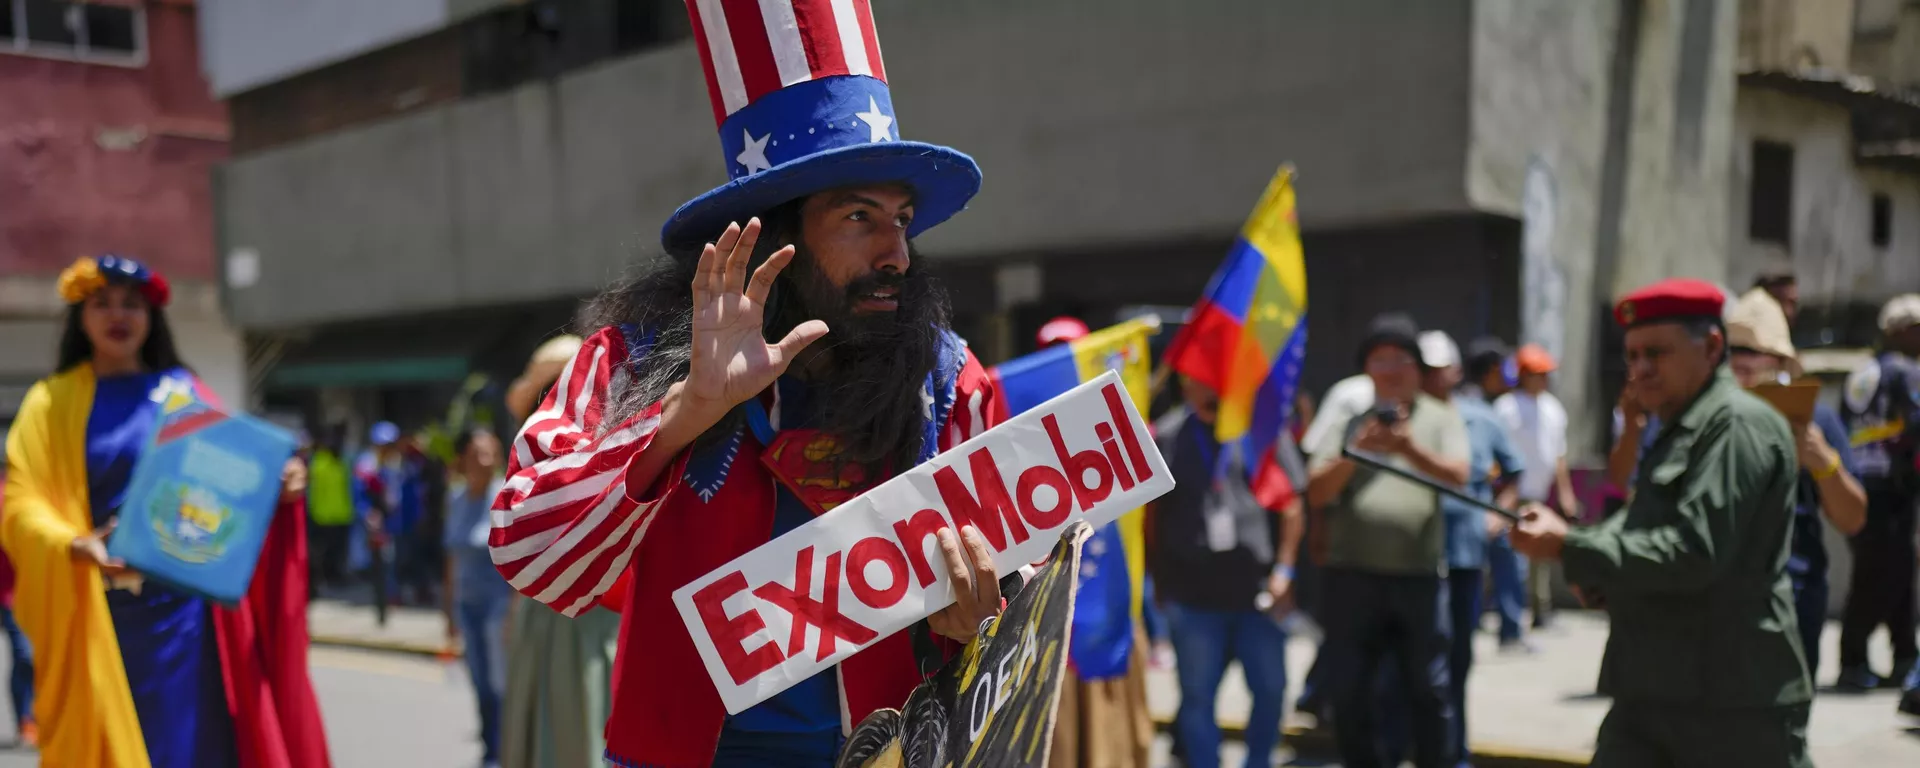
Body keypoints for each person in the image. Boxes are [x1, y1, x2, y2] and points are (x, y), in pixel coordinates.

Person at [486, 5, 1008, 765]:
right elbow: (531, 555)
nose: (897, 251)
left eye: (902, 218)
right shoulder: (632, 362)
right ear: (777, 235)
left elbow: (1021, 594)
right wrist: (683, 415)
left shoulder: (952, 380)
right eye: (860, 217)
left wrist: (978, 613)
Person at [0, 255, 330, 768]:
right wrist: (73, 543)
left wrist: (280, 486)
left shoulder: (184, 392)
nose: (119, 315)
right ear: (78, 319)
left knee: (189, 748)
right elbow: (20, 501)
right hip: (96, 614)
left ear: (152, 317)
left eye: (132, 304)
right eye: (102, 303)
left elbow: (233, 482)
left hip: (185, 622)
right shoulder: (51, 402)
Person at [1509, 278, 1813, 767]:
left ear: (1712, 347)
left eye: (1657, 352)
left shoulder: (1734, 425)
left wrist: (1571, 545)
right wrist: (1596, 563)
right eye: (1631, 356)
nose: (1640, 369)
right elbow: (1639, 525)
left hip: (1731, 701)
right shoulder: (1677, 427)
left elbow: (1695, 551)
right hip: (1654, 689)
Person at [1307, 313, 1469, 768]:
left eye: (1401, 359)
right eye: (1380, 360)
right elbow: (1317, 490)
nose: (1391, 369)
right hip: (1351, 576)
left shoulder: (1439, 416)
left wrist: (1407, 449)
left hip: (1418, 576)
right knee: (1351, 688)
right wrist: (1357, 452)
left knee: (1428, 687)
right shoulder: (1349, 420)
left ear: (1418, 369)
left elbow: (1460, 476)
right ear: (1367, 370)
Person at [1148, 375, 1305, 768]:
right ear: (1184, 385)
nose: (1210, 386)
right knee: (1197, 696)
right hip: (1193, 595)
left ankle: (1258, 762)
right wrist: (1159, 581)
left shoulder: (1261, 431)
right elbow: (1152, 516)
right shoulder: (1167, 435)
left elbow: (1292, 506)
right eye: (1199, 378)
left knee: (1270, 690)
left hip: (1258, 593)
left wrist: (1285, 569)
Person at [1724, 288, 1868, 682]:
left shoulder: (1818, 420)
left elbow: (1853, 518)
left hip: (1793, 598)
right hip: (1718, 601)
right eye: (1733, 358)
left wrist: (1822, 461)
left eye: (1752, 358)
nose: (1742, 370)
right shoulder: (1706, 417)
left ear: (1781, 362)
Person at [497, 335, 627, 768]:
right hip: (548, 612)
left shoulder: (611, 447)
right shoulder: (531, 460)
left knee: (586, 722)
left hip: (595, 612)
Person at [1033, 319, 1156, 768]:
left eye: (1071, 352)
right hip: (1053, 608)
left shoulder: (1122, 430)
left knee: (1112, 726)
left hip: (1111, 597)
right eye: (1052, 354)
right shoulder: (1025, 438)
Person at [1419, 331, 1522, 765]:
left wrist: (1499, 516)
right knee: (1413, 667)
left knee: (1456, 662)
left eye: (1442, 370)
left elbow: (1513, 473)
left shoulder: (1481, 417)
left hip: (1461, 558)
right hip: (1412, 563)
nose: (1435, 378)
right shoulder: (1403, 419)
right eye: (1427, 370)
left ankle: (1453, 754)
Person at [1836, 293, 1920, 692]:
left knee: (1892, 573)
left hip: (1858, 484)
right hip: (1892, 488)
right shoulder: (1905, 371)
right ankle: (1853, 661)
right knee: (1884, 575)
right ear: (1901, 332)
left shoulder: (1860, 372)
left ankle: (1905, 657)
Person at [1492, 344, 1577, 632]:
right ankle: (1511, 620)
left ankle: (1541, 612)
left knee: (1542, 554)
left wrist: (1566, 494)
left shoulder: (1553, 408)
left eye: (1545, 374)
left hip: (1541, 494)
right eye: (1537, 374)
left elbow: (1558, 455)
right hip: (1513, 494)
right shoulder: (1505, 407)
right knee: (1513, 558)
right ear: (1523, 375)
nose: (1543, 380)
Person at [444, 427, 511, 768]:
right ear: (464, 459)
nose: (484, 460)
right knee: (480, 680)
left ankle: (504, 751)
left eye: (490, 453)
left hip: (497, 604)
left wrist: (514, 611)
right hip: (466, 605)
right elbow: (451, 558)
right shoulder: (454, 497)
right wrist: (448, 615)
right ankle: (490, 748)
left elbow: (517, 559)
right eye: (477, 453)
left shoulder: (507, 495)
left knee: (500, 683)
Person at [307, 423, 355, 591]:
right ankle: (319, 581)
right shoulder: (319, 462)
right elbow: (313, 491)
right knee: (320, 553)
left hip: (341, 515)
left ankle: (334, 577)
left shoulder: (343, 463)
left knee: (337, 552)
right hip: (322, 516)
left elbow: (347, 489)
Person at [0, 540, 32, 747]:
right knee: (24, 654)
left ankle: (28, 720)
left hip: (21, 592)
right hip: (9, 593)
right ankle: (25, 721)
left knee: (27, 656)